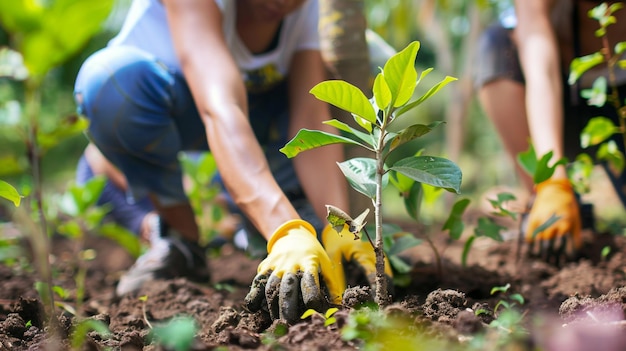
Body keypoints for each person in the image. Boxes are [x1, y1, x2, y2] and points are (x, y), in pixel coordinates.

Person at [74, 0, 390, 323]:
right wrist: (286, 229)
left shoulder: (309, 9)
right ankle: (181, 238)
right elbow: (221, 107)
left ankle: (269, 214)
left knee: (377, 60)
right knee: (109, 85)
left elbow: (309, 116)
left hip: (264, 119)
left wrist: (339, 225)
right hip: (181, 105)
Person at [475, 0, 626, 261]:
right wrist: (552, 183)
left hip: (618, 105)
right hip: (555, 104)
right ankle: (548, 213)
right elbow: (540, 62)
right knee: (497, 46)